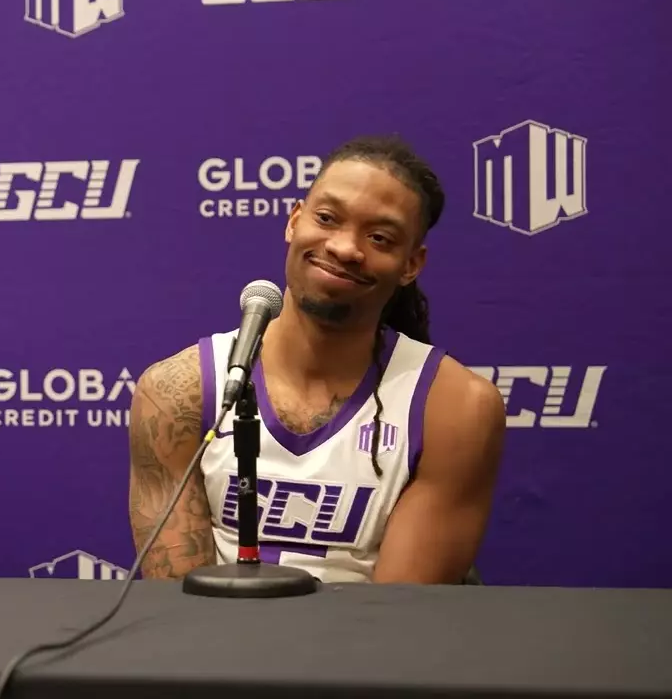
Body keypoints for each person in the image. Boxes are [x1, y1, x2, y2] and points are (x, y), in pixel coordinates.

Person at [128, 136, 505, 584]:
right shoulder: (180, 391)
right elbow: (181, 604)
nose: (345, 247)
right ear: (294, 221)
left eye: (380, 237)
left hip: (367, 650)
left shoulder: (454, 407)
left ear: (411, 264)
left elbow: (400, 620)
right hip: (215, 649)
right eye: (327, 219)